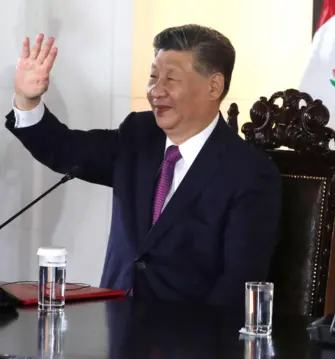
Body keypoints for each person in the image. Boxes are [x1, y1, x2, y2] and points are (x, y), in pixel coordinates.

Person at [5, 25, 282, 308]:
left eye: (170, 79)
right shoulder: (138, 134)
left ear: (214, 86)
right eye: (153, 76)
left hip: (188, 340)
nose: (155, 90)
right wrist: (28, 100)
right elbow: (65, 149)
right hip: (112, 328)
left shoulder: (249, 174)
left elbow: (238, 286)